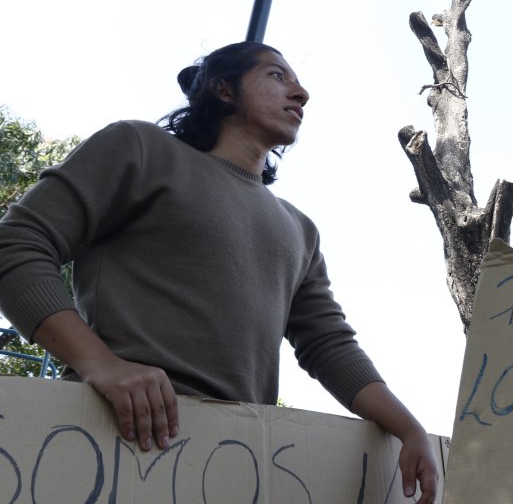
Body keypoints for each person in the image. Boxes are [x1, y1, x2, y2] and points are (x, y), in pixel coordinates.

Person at [0, 42, 438, 503]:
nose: (301, 93)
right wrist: (100, 363)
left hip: (231, 467)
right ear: (223, 89)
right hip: (112, 442)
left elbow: (328, 343)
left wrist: (409, 428)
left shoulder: (300, 229)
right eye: (277, 75)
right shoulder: (140, 148)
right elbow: (16, 244)